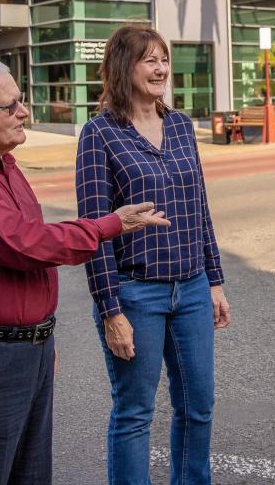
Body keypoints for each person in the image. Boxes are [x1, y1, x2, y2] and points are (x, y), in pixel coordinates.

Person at [0, 58, 168, 485]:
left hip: (20, 351)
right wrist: (111, 224)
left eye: (20, 101)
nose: (23, 112)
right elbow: (26, 243)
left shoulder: (2, 165)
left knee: (27, 474)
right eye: (9, 106)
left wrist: (37, 336)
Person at [76, 24, 231, 485]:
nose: (162, 68)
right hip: (135, 293)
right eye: (150, 59)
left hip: (193, 289)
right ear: (125, 67)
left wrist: (215, 281)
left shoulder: (182, 126)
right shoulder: (99, 134)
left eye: (164, 58)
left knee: (198, 406)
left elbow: (198, 208)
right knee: (134, 413)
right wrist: (110, 310)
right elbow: (93, 229)